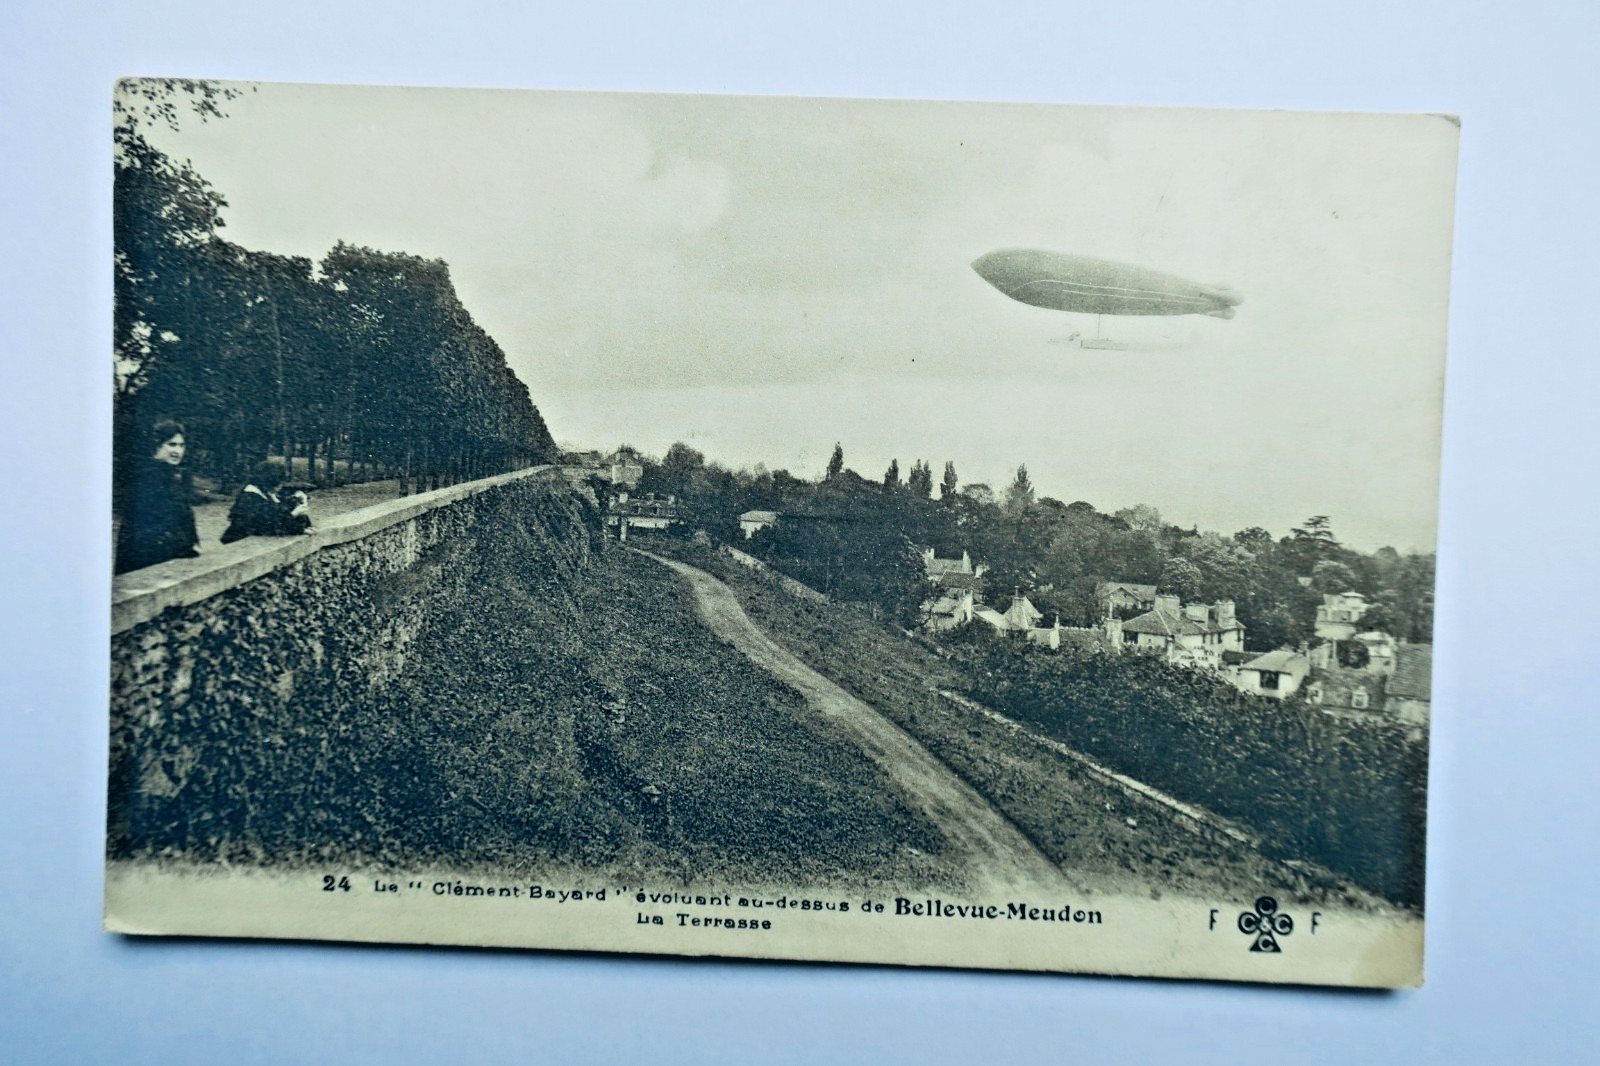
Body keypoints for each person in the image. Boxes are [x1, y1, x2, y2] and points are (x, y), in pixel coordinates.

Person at [114, 419, 199, 574]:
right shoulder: (146, 478)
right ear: (157, 446)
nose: (178, 451)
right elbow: (147, 527)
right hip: (146, 559)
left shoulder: (174, 477)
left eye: (181, 445)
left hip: (169, 557)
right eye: (171, 444)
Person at [220, 460, 312, 544]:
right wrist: (294, 514)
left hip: (252, 540)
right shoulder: (250, 497)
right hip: (239, 542)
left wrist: (296, 501)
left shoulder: (263, 492)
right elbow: (266, 526)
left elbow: (276, 516)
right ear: (270, 481)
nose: (281, 486)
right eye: (279, 483)